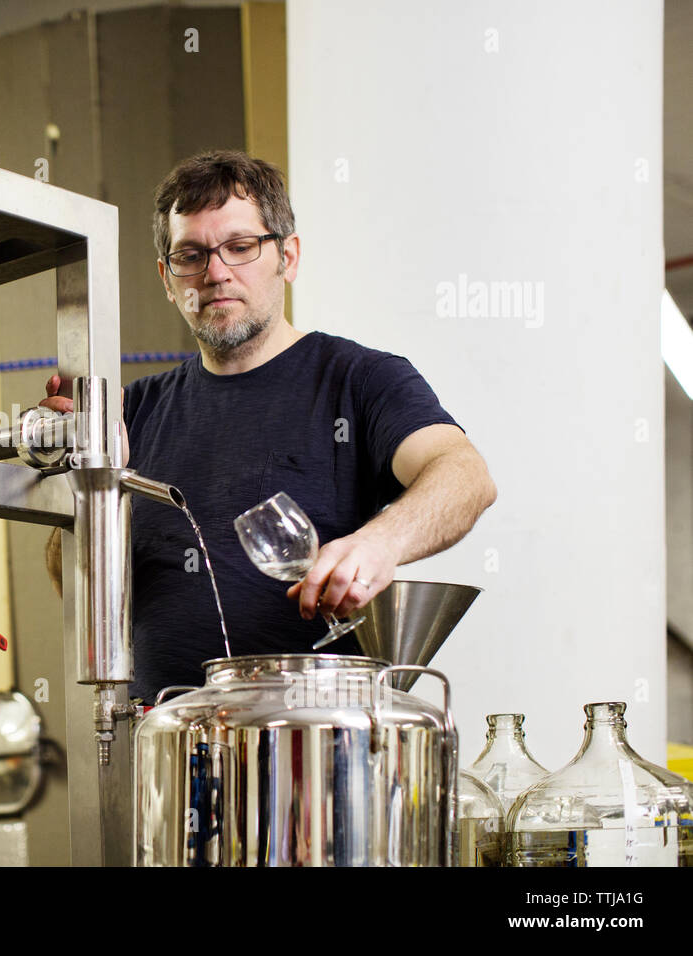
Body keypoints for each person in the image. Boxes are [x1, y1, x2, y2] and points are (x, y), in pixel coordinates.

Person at [41, 149, 497, 704]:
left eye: (240, 247)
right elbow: (76, 582)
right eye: (191, 254)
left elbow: (466, 475)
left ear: (289, 256)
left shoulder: (360, 380)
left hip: (317, 748)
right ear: (166, 277)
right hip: (161, 746)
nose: (215, 273)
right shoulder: (133, 412)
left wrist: (379, 543)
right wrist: (86, 482)